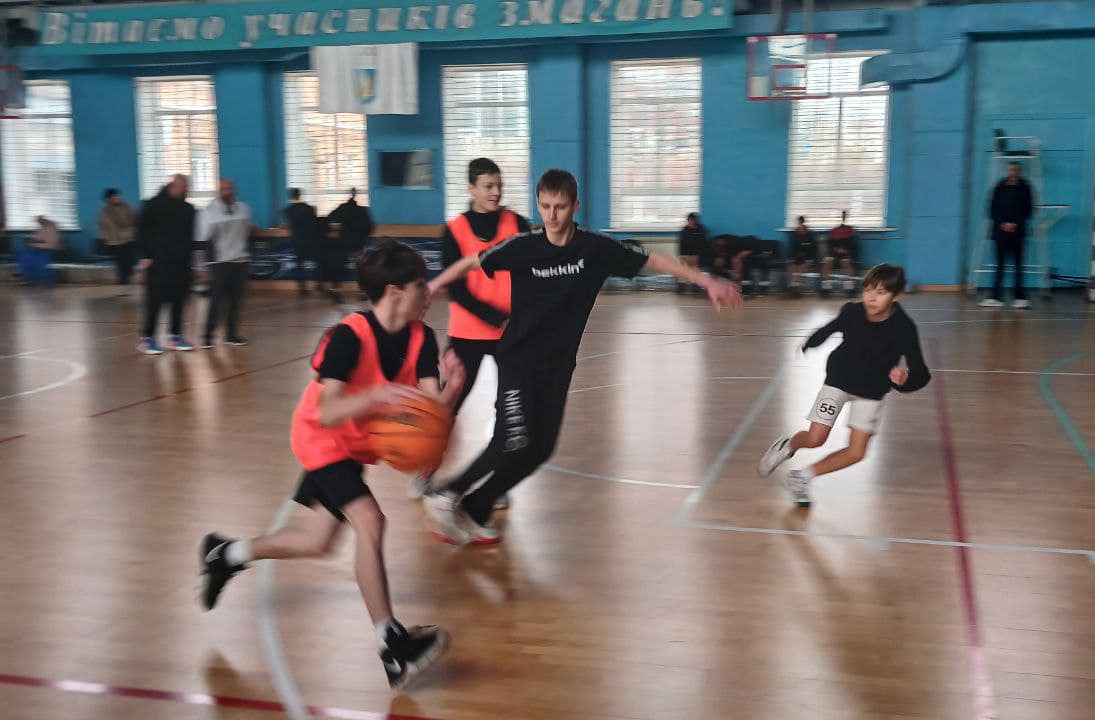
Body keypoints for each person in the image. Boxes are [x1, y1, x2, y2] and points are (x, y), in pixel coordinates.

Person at [423, 169, 741, 545]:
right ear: (538, 204)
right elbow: (471, 263)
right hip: (519, 359)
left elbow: (653, 260)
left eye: (560, 207)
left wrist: (706, 280)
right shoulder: (524, 246)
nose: (552, 216)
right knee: (512, 441)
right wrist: (432, 285)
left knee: (540, 449)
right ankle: (445, 493)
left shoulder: (594, 248)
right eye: (545, 206)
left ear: (575, 205)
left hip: (558, 365)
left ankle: (477, 508)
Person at [199, 240, 464, 690]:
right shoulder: (347, 336)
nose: (429, 292)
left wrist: (452, 390)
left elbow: (429, 410)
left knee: (317, 541)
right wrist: (378, 395)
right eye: (421, 285)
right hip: (321, 440)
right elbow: (328, 411)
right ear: (395, 292)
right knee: (371, 521)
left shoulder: (422, 337)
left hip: (354, 449)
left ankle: (225, 555)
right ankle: (391, 646)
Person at [407, 157, 531, 500]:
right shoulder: (455, 229)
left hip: (511, 334)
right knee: (449, 406)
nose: (495, 192)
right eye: (488, 186)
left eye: (499, 185)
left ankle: (496, 482)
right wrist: (495, 317)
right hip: (468, 334)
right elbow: (456, 287)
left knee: (508, 409)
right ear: (472, 188)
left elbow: (529, 272)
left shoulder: (518, 223)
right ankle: (425, 469)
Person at [758, 264, 931, 506]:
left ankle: (801, 478)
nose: (871, 298)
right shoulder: (852, 312)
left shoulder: (904, 329)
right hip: (839, 380)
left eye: (881, 292)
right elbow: (831, 328)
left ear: (896, 296)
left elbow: (922, 374)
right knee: (816, 438)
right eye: (868, 290)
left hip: (871, 391)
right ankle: (787, 445)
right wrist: (811, 342)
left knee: (856, 453)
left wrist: (905, 381)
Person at [137, 174, 197, 355]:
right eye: (183, 187)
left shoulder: (188, 209)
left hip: (181, 263)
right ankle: (147, 339)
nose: (186, 191)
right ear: (172, 186)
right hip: (159, 263)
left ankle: (175, 336)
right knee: (155, 301)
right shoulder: (153, 205)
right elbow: (142, 232)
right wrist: (146, 255)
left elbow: (190, 237)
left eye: (187, 188)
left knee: (179, 300)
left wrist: (193, 264)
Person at [198, 179, 254, 348]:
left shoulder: (243, 208)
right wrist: (200, 266)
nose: (227, 191)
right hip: (219, 262)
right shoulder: (208, 211)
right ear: (218, 191)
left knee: (236, 301)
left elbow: (247, 229)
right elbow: (201, 240)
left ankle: (231, 335)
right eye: (223, 188)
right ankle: (207, 336)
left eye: (229, 188)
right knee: (216, 300)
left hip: (240, 260)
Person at [981, 162, 1035, 309]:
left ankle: (1020, 297)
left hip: (1018, 232)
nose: (1012, 172)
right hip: (1000, 232)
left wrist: (1015, 223)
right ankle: (996, 297)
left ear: (1019, 171)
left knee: (1019, 265)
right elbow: (992, 208)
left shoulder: (1025, 187)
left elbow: (1028, 209)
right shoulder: (999, 187)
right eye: (1010, 169)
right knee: (1000, 264)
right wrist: (1003, 223)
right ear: (1007, 171)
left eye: (1015, 170)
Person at [324, 188, 375, 304]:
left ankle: (336, 289)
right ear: (356, 195)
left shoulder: (343, 208)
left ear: (349, 195)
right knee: (360, 267)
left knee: (340, 267)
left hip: (344, 242)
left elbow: (330, 217)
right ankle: (362, 292)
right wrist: (362, 236)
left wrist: (334, 231)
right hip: (358, 243)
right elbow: (370, 227)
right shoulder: (362, 210)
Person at [284, 188, 323, 296]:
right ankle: (318, 284)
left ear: (291, 196)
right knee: (317, 262)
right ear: (300, 195)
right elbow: (316, 224)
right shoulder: (309, 208)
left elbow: (289, 225)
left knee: (299, 265)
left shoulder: (288, 210)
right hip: (310, 240)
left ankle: (302, 288)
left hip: (297, 241)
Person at [97, 189, 138, 287]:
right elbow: (102, 227)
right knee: (121, 264)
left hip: (129, 239)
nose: (118, 198)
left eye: (118, 196)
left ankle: (129, 281)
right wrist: (105, 239)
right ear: (108, 199)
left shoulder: (128, 207)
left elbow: (136, 220)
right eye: (114, 196)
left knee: (130, 262)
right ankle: (124, 283)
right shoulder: (104, 212)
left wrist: (135, 232)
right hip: (115, 242)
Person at [786, 216, 831, 298]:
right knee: (792, 268)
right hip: (797, 257)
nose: (800, 228)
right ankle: (793, 288)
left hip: (808, 258)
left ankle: (794, 288)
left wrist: (811, 259)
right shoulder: (795, 235)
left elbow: (813, 250)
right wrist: (792, 259)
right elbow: (793, 250)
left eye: (801, 225)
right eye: (799, 225)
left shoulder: (810, 235)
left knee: (801, 268)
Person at [18, 216, 61, 286]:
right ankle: (29, 278)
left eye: (40, 221)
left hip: (48, 249)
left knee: (39, 261)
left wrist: (36, 242)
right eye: (39, 221)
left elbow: (51, 243)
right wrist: (32, 241)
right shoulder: (41, 229)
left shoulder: (52, 226)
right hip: (37, 248)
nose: (39, 222)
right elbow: (36, 238)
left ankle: (46, 280)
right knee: (24, 253)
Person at [827, 210, 859, 296]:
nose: (843, 218)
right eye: (842, 216)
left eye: (844, 216)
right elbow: (831, 245)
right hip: (835, 255)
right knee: (827, 262)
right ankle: (826, 288)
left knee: (845, 262)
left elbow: (853, 246)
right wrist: (836, 250)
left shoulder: (850, 231)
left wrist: (846, 251)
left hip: (846, 255)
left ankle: (849, 289)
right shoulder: (834, 231)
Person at [676, 212, 708, 294]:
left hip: (697, 255)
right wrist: (683, 256)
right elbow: (681, 245)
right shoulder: (684, 230)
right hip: (686, 254)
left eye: (692, 220)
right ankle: (681, 286)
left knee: (695, 267)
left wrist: (697, 256)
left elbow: (703, 244)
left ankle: (695, 285)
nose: (690, 222)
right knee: (683, 267)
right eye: (689, 220)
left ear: (695, 220)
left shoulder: (701, 229)